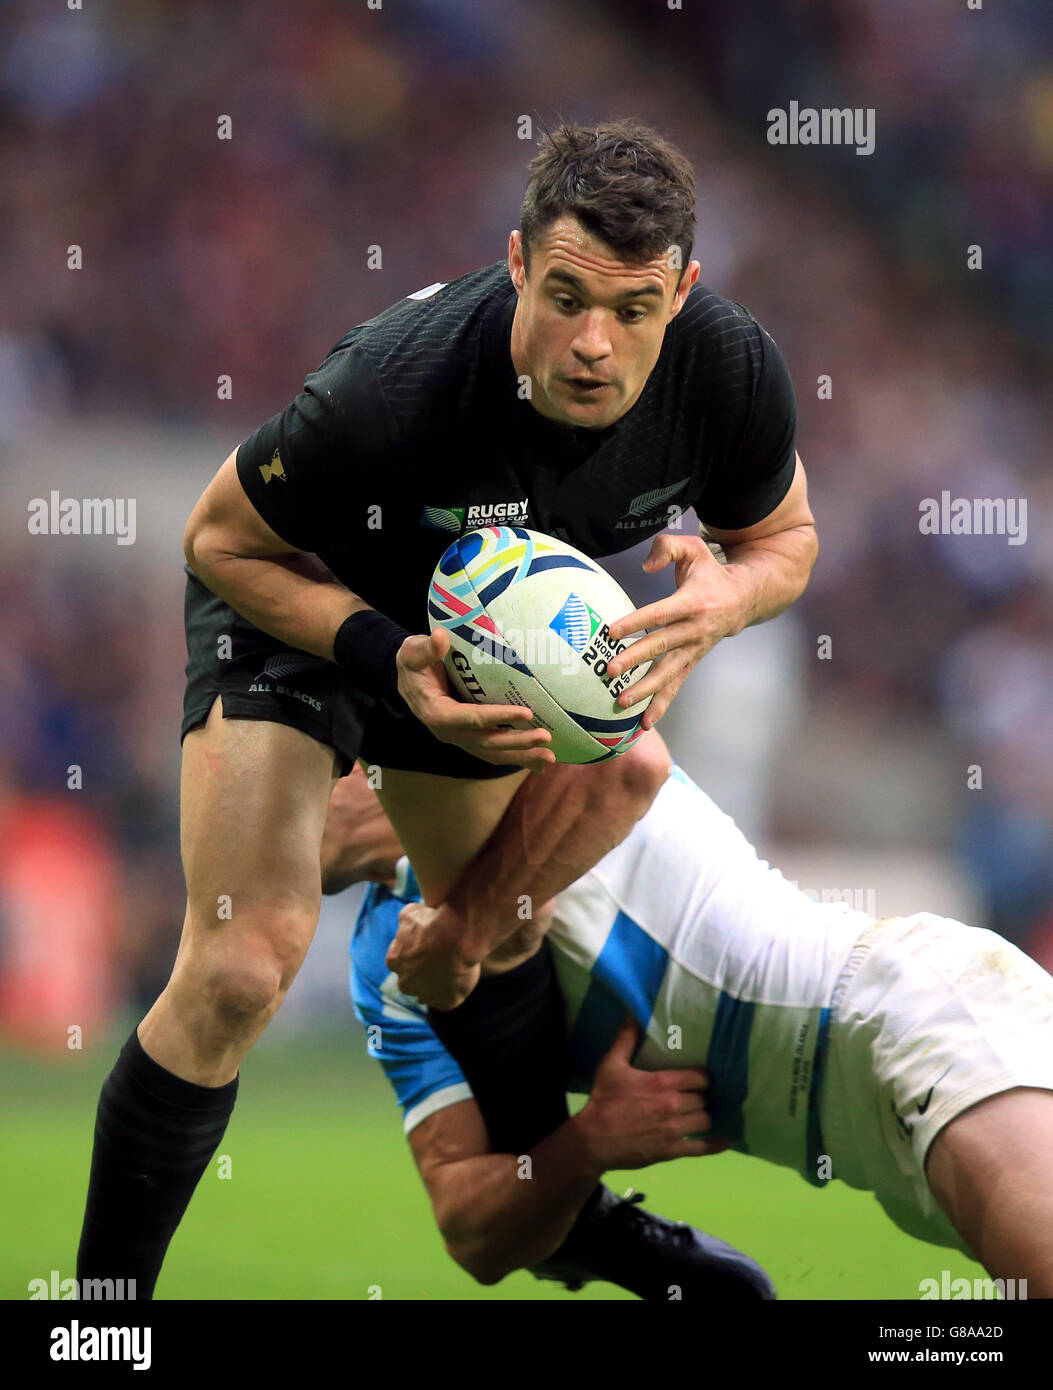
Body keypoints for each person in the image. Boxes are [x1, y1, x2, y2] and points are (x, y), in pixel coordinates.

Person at [76, 119, 817, 1297]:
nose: (591, 343)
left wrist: (722, 601)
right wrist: (379, 652)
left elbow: (782, 540)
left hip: (471, 637)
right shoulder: (394, 388)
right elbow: (219, 540)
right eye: (565, 295)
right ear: (516, 263)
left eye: (630, 311)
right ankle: (99, 1320)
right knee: (243, 962)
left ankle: (566, 1218)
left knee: (498, 922)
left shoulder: (728, 372)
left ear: (680, 293)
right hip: (305, 602)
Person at [329, 763, 1053, 1297]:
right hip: (868, 1160)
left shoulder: (529, 752)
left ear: (354, 759)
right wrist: (585, 1146)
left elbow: (632, 765)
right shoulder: (382, 962)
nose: (234, 840)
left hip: (911, 1013)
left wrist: (464, 930)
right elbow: (472, 1229)